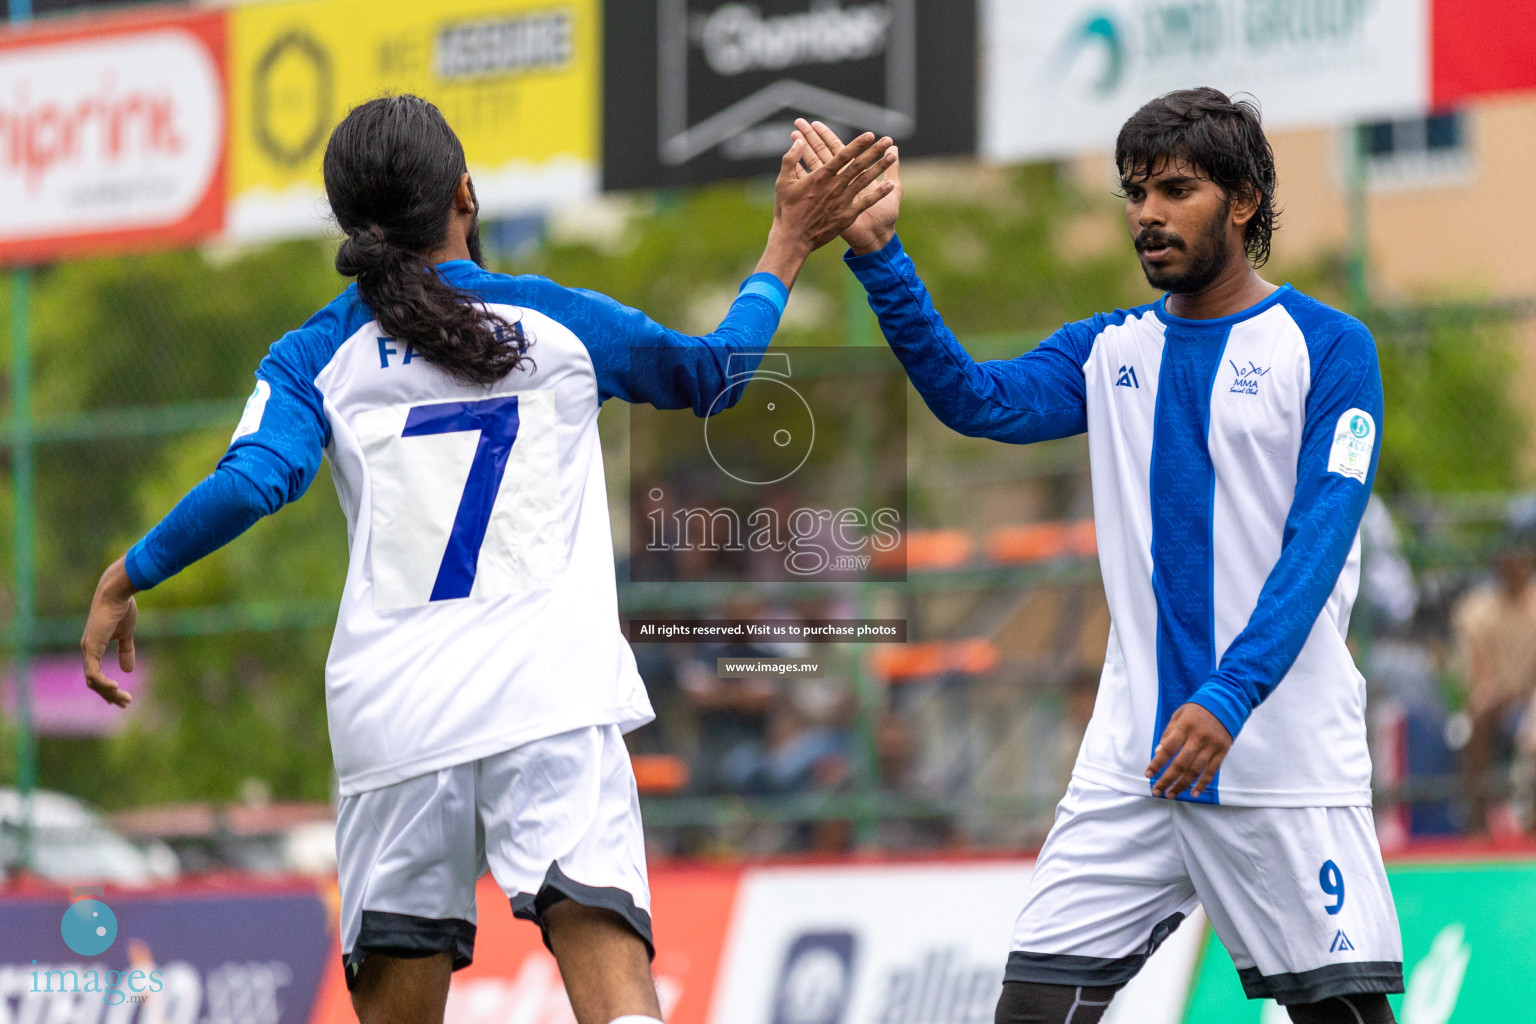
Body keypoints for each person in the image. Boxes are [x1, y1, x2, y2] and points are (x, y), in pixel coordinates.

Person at [78, 95, 895, 1024]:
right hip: (548, 700)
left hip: (397, 720)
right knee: (617, 992)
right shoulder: (558, 323)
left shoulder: (314, 355)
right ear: (465, 192)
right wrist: (787, 240)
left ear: (352, 227)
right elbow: (716, 374)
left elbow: (255, 480)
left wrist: (128, 571)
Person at [802, 87, 1401, 1024]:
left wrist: (1231, 693)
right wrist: (881, 255)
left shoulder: (1329, 347)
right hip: (1138, 759)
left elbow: (1319, 540)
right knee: (1033, 1008)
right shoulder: (1111, 348)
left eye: (1175, 189)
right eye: (1134, 193)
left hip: (1277, 758)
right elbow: (976, 400)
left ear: (1244, 201)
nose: (1148, 214)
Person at [1450, 535, 1536, 833]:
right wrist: (1489, 695)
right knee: (1474, 720)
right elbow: (1475, 675)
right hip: (1495, 701)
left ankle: (1528, 823)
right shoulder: (1477, 609)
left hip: (1530, 700)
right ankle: (1477, 824)